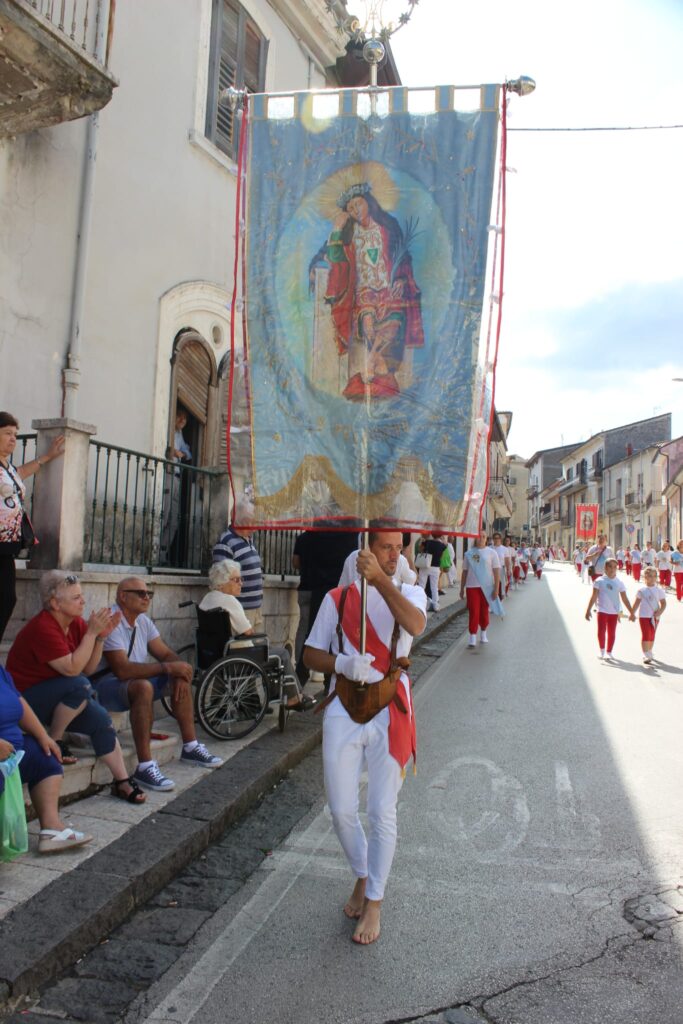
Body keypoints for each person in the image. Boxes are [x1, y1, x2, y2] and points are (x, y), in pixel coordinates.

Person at [303, 531, 426, 945]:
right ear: (365, 550)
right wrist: (341, 661)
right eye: (384, 548)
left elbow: (414, 625)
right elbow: (310, 654)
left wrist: (381, 581)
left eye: (397, 548)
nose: (393, 555)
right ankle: (362, 872)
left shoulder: (410, 591)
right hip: (344, 702)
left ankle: (374, 898)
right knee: (340, 809)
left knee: (381, 810)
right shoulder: (336, 598)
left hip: (391, 705)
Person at [6, 571, 145, 805]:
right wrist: (91, 633)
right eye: (75, 598)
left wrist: (100, 637)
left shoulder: (76, 624)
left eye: (82, 596)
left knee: (101, 720)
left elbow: (88, 668)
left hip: (58, 698)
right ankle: (56, 739)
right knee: (80, 685)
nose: (83, 602)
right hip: (25, 702)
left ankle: (122, 780)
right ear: (55, 603)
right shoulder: (43, 627)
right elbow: (73, 671)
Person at [94, 577, 223, 792]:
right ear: (123, 596)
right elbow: (122, 670)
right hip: (105, 686)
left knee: (178, 672)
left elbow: (164, 653)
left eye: (149, 594)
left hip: (130, 682)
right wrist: (167, 669)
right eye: (141, 593)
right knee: (145, 686)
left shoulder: (142, 621)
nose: (147, 598)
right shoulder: (112, 620)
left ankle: (191, 746)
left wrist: (178, 671)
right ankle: (145, 766)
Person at [312, 181, 425, 401]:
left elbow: (404, 258)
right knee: (368, 325)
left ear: (368, 203)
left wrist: (401, 279)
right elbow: (335, 258)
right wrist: (336, 229)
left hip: (387, 289)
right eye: (351, 208)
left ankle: (371, 361)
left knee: (392, 327)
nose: (356, 211)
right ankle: (376, 363)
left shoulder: (388, 227)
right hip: (364, 292)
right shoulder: (349, 234)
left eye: (358, 204)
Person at [0, 665, 93, 853]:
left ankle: (52, 829)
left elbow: (19, 700)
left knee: (45, 754)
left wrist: (43, 735)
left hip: (11, 754)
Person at [199, 560, 314, 710]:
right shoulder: (229, 601)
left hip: (214, 654)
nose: (241, 583)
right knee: (282, 654)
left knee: (269, 649)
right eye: (236, 580)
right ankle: (293, 698)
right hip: (238, 656)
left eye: (241, 579)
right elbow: (248, 632)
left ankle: (259, 700)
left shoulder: (208, 598)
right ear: (222, 583)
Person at [0, 411, 65, 642]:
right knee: (5, 598)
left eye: (15, 435)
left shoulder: (7, 467)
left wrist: (47, 457)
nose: (12, 439)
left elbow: (21, 473)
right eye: (7, 433)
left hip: (6, 546)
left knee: (7, 599)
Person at [292, 530, 358, 683]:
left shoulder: (312, 536)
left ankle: (302, 675)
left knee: (310, 632)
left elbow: (299, 561)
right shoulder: (351, 535)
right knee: (334, 635)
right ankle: (326, 678)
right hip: (334, 589)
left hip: (318, 587)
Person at [212, 499, 264, 630]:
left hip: (255, 608)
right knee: (246, 649)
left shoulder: (248, 539)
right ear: (240, 521)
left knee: (257, 648)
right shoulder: (226, 543)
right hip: (240, 611)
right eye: (251, 522)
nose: (255, 526)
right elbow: (220, 582)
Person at [584, 558, 635, 661]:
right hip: (602, 610)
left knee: (612, 632)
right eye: (610, 566)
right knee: (601, 631)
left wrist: (631, 612)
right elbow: (594, 596)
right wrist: (588, 610)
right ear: (605, 568)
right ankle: (602, 650)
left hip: (613, 612)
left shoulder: (619, 583)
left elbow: (624, 599)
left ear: (617, 569)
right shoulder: (599, 581)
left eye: (615, 567)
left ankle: (609, 652)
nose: (612, 569)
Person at [160, 407, 192, 565]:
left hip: (177, 478)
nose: (182, 421)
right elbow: (164, 448)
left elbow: (188, 453)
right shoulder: (166, 430)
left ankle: (163, 554)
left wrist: (181, 453)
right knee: (164, 516)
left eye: (185, 419)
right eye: (179, 416)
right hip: (168, 475)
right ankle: (156, 555)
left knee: (173, 521)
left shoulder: (180, 435)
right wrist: (171, 451)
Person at [459, 532, 501, 648]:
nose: (481, 538)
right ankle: (472, 635)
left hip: (486, 587)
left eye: (483, 536)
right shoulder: (469, 554)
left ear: (486, 538)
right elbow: (465, 572)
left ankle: (483, 632)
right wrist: (462, 588)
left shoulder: (492, 553)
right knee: (473, 610)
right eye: (478, 536)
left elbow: (496, 572)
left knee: (484, 610)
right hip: (472, 586)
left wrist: (496, 589)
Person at [632, 567, 666, 665]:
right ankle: (645, 654)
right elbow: (636, 603)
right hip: (643, 616)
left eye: (655, 576)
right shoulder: (641, 590)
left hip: (655, 616)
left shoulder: (659, 590)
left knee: (652, 635)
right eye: (650, 576)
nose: (652, 578)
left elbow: (663, 603)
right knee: (646, 634)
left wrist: (660, 612)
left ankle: (649, 651)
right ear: (645, 577)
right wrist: (632, 613)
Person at [416, 533, 446, 611]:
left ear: (432, 534)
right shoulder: (442, 545)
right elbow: (441, 556)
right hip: (435, 567)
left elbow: (420, 550)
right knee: (434, 587)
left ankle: (420, 604)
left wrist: (422, 543)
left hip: (425, 565)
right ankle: (436, 605)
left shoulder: (427, 542)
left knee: (422, 586)